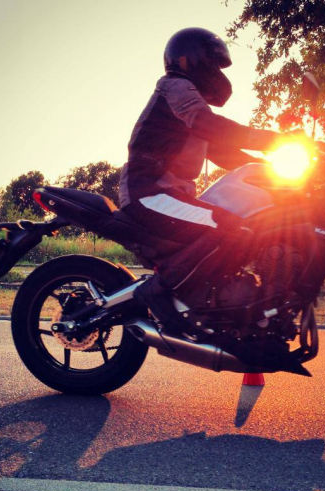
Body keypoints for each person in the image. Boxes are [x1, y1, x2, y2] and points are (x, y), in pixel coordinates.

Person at [120, 27, 294, 334]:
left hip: (169, 195)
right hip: (148, 192)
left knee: (248, 224)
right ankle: (157, 291)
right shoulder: (176, 87)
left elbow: (226, 153)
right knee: (232, 228)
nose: (217, 74)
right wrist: (280, 141)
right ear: (194, 60)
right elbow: (212, 127)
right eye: (214, 64)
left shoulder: (190, 106)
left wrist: (275, 171)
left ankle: (220, 306)